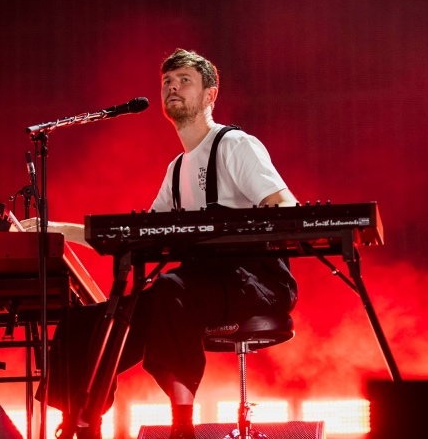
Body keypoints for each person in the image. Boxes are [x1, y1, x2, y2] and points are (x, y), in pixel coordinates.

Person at [45, 49, 299, 439]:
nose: (172, 87)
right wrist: (52, 229)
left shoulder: (236, 146)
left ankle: (182, 427)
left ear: (210, 95)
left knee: (166, 289)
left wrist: (226, 232)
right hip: (192, 287)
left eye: (183, 80)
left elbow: (286, 208)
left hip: (255, 283)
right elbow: (134, 236)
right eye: (167, 82)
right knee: (84, 323)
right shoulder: (176, 170)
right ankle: (83, 421)